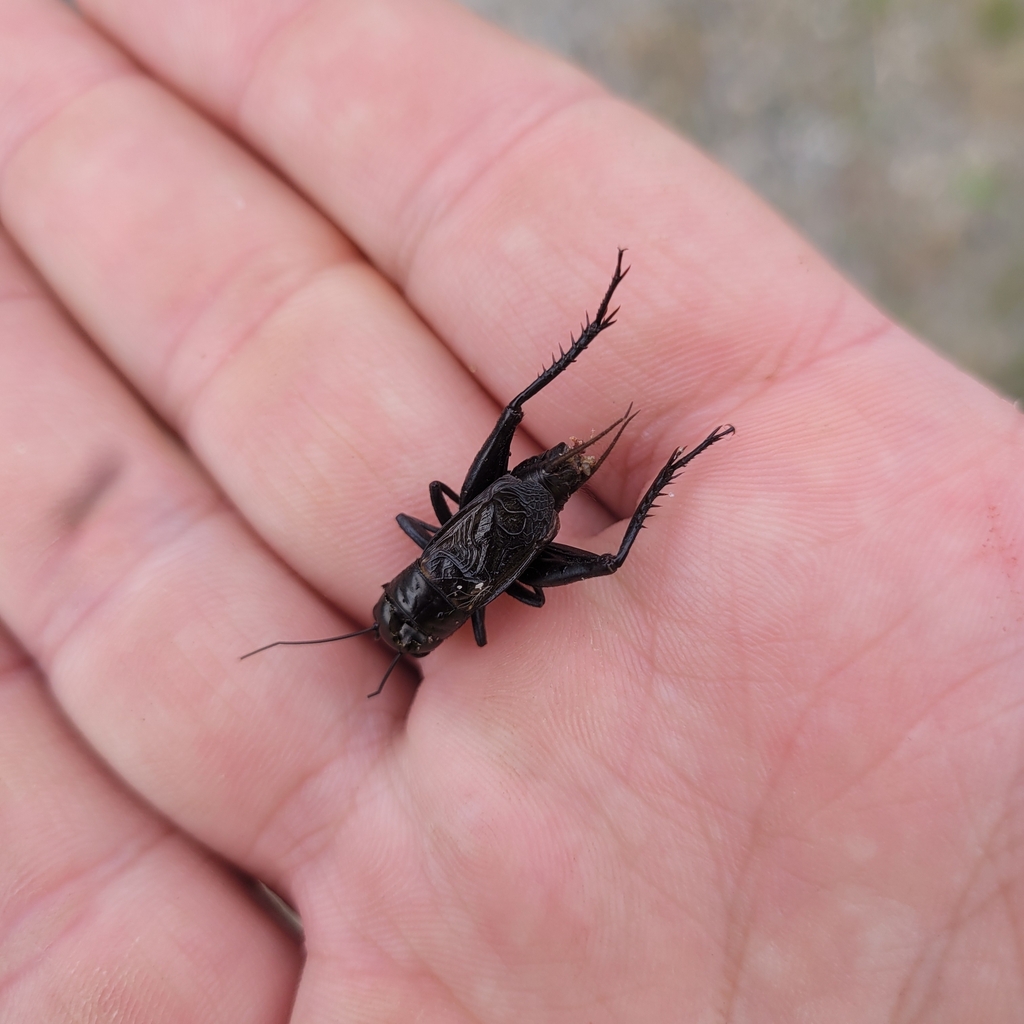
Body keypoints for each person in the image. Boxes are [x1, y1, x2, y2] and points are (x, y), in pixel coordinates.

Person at [0, 0, 1021, 1020]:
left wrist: (487, 564)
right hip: (510, 511)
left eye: (412, 614)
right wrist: (477, 538)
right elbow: (443, 530)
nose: (414, 618)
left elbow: (476, 592)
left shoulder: (467, 615)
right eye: (414, 621)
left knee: (574, 514)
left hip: (516, 517)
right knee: (566, 502)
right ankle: (657, 418)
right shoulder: (433, 566)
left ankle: (623, 364)